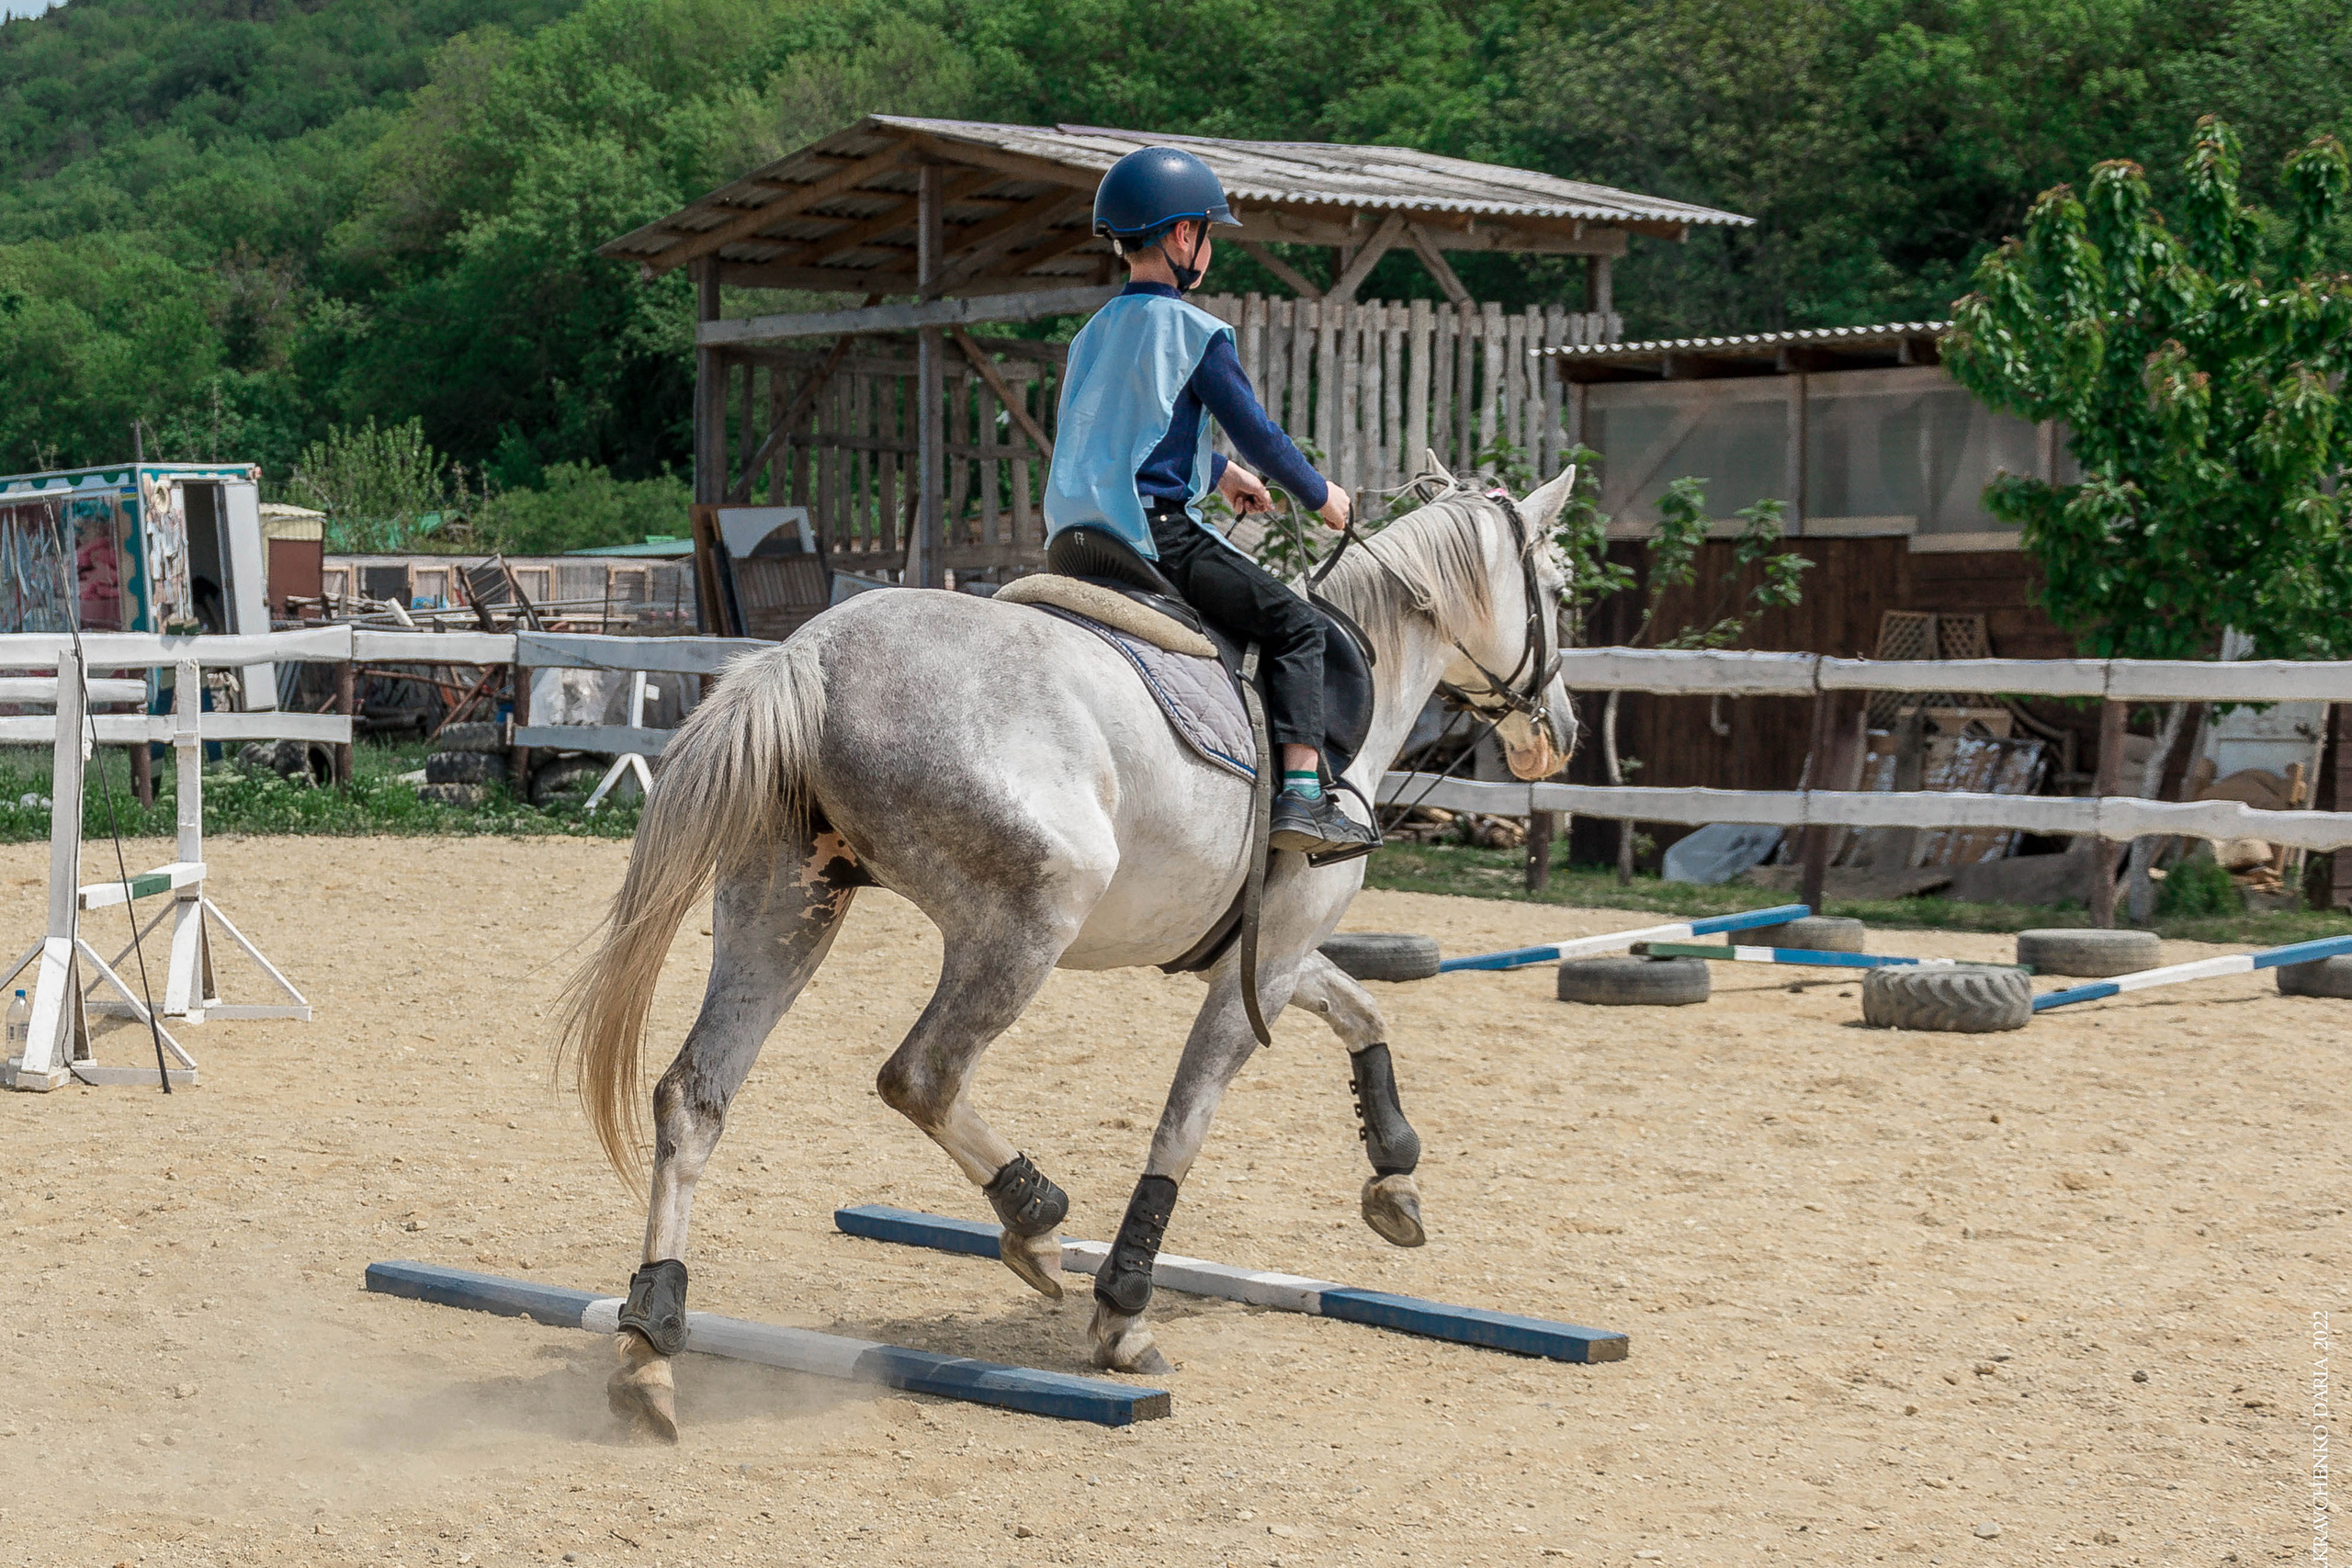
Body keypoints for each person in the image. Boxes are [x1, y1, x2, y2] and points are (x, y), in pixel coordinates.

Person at [1043, 146, 1378, 857]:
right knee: (1297, 628)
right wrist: (1322, 496)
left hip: (1074, 539)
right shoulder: (1196, 333)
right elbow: (1261, 431)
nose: (1211, 247)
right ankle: (1305, 800)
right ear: (1182, 236)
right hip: (1153, 534)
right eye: (1209, 232)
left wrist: (1218, 470)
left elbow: (1124, 431)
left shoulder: (1091, 335)